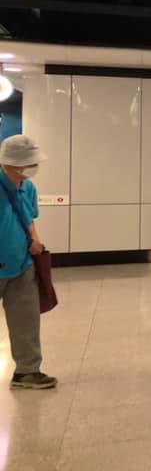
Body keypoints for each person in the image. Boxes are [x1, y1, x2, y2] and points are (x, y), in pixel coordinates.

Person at [0, 135, 56, 389]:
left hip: (22, 263)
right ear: (12, 163)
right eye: (29, 163)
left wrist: (35, 240)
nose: (34, 167)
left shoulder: (28, 187)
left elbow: (29, 218)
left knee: (26, 319)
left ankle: (27, 371)